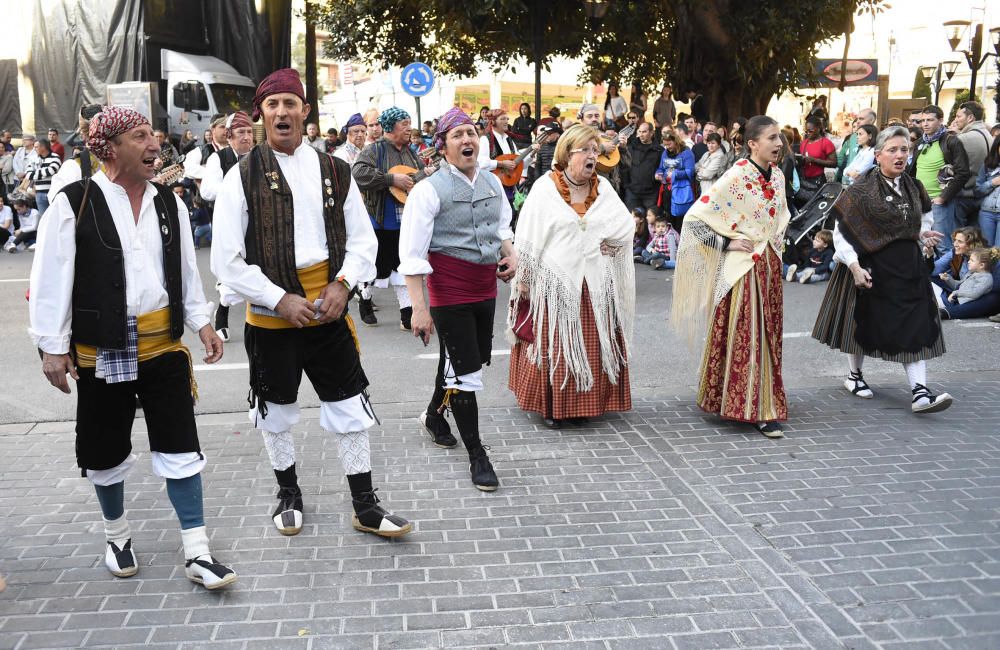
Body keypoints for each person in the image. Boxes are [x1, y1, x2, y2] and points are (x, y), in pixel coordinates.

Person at [27, 105, 236, 589]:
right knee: (104, 449)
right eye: (141, 136)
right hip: (102, 349)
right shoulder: (73, 202)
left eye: (154, 136)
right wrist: (53, 348)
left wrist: (201, 322)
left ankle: (197, 551)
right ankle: (116, 535)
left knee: (181, 445)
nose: (154, 145)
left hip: (163, 346)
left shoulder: (169, 202)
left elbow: (184, 268)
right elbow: (52, 279)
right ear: (111, 147)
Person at [211, 68, 412, 539]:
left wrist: (343, 284)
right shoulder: (240, 175)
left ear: (305, 110)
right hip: (271, 315)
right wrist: (277, 299)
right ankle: (288, 493)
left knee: (349, 406)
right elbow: (226, 258)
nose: (282, 112)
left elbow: (362, 241)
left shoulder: (335, 169)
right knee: (275, 410)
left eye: (290, 103)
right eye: (273, 104)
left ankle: (365, 505)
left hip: (328, 308)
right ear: (261, 113)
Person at [398, 107, 516, 491]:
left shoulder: (492, 183)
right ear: (443, 147)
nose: (467, 140)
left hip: (484, 287)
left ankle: (434, 415)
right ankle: (478, 456)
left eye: (471, 133)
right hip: (448, 291)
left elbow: (501, 229)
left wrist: (510, 253)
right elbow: (412, 257)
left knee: (463, 360)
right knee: (467, 374)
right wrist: (419, 309)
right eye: (457, 135)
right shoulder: (427, 191)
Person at [812, 125, 952, 414]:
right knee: (860, 323)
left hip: (907, 267)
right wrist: (853, 266)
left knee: (915, 324)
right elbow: (841, 233)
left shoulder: (915, 187)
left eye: (904, 149)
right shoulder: (860, 191)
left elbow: (924, 218)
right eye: (893, 150)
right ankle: (855, 376)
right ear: (877, 156)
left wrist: (921, 235)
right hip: (868, 264)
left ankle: (920, 392)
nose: (900, 155)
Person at [507, 124, 635, 428]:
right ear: (567, 153)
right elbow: (527, 235)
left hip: (593, 281)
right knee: (556, 346)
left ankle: (583, 406)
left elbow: (624, 226)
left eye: (595, 150)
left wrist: (611, 243)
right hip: (554, 282)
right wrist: (523, 277)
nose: (593, 156)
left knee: (589, 344)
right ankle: (553, 407)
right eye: (586, 150)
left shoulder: (603, 188)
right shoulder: (545, 188)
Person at [672, 115, 792, 438]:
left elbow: (781, 215)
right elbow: (696, 219)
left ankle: (756, 400)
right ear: (752, 144)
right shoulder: (737, 176)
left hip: (768, 265)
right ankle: (759, 410)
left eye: (778, 137)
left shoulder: (778, 176)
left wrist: (776, 243)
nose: (778, 143)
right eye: (771, 138)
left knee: (767, 335)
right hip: (743, 267)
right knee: (749, 337)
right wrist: (727, 241)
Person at [353, 107, 436, 330]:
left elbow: (418, 182)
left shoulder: (413, 154)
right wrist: (391, 179)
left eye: (410, 123)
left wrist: (424, 176)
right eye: (404, 123)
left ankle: (406, 314)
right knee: (375, 266)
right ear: (390, 127)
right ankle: (365, 298)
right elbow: (358, 173)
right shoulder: (374, 150)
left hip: (406, 220)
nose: (409, 128)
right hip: (379, 219)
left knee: (403, 265)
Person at [196, 110, 255, 342]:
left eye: (249, 132)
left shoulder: (261, 156)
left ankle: (260, 321)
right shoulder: (217, 159)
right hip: (228, 224)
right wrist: (237, 193)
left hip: (256, 222)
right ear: (229, 137)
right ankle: (223, 313)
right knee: (232, 269)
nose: (246, 137)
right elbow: (207, 190)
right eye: (241, 132)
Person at [907, 105, 970, 256]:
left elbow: (963, 172)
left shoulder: (951, 141)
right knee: (921, 241)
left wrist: (943, 197)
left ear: (941, 120)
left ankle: (947, 278)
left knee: (943, 245)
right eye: (922, 121)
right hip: (920, 200)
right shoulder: (920, 142)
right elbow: (913, 170)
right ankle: (927, 276)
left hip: (940, 202)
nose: (925, 124)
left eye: (930, 120)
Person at [48, 104, 105, 198]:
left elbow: (57, 201)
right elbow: (69, 141)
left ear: (84, 132)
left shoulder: (73, 166)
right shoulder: (127, 159)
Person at [953, 101, 992, 231]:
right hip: (983, 195)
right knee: (974, 239)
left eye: (959, 116)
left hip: (964, 195)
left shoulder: (963, 138)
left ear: (970, 118)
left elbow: (954, 168)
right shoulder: (989, 135)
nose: (956, 120)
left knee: (957, 237)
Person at [578, 103, 630, 194]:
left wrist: (623, 148)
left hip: (610, 189)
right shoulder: (576, 137)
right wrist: (601, 149)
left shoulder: (607, 138)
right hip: (586, 190)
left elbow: (626, 165)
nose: (594, 119)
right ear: (582, 119)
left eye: (596, 116)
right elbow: (573, 157)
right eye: (589, 116)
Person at [655, 132, 696, 231]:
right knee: (669, 217)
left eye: (669, 144)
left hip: (682, 190)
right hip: (667, 190)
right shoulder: (665, 153)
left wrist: (675, 174)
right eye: (665, 144)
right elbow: (661, 168)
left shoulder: (686, 152)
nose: (667, 147)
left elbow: (690, 172)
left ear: (676, 141)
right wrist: (658, 174)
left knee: (680, 218)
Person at [797, 115, 836, 204]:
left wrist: (814, 160)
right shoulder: (804, 143)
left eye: (811, 131)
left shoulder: (826, 143)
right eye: (806, 131)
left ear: (818, 128)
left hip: (818, 181)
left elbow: (834, 163)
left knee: (816, 205)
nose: (808, 133)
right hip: (804, 181)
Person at [624, 121, 662, 212]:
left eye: (644, 132)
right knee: (632, 221)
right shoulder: (630, 148)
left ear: (651, 133)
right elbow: (625, 166)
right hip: (632, 192)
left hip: (651, 193)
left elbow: (661, 169)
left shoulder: (659, 150)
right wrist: (627, 185)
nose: (641, 135)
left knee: (650, 221)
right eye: (639, 132)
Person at [835, 108, 876, 182]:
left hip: (866, 184)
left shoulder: (879, 138)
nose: (857, 122)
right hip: (848, 181)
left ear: (871, 120)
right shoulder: (853, 137)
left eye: (861, 119)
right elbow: (849, 159)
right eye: (857, 119)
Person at [976, 134, 1000, 245]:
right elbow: (977, 190)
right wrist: (992, 183)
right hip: (987, 212)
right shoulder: (988, 165)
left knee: (998, 250)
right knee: (986, 250)